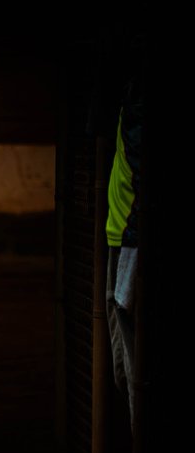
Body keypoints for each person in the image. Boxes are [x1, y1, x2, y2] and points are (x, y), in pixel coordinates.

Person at [105, 76, 143, 422]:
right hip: (118, 235)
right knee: (122, 372)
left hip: (132, 239)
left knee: (135, 379)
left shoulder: (140, 87)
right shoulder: (127, 88)